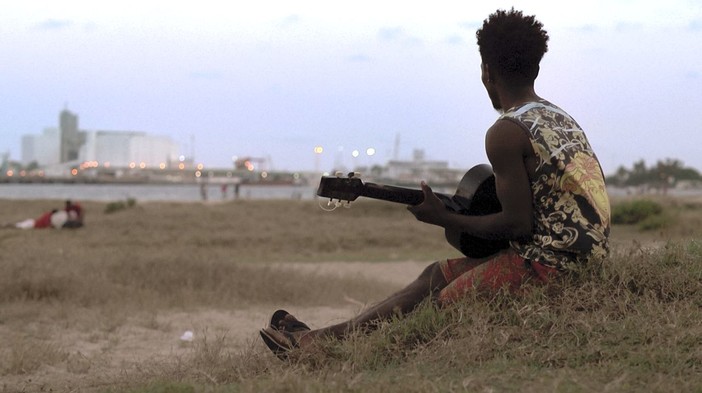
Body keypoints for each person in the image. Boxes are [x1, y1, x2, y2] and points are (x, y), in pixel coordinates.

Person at [259, 8, 611, 357]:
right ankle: (315, 341)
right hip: (583, 258)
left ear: (486, 71)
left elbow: (517, 223)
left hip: (550, 267)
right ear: (535, 67)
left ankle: (334, 355)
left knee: (439, 304)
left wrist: (444, 218)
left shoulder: (505, 132)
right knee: (434, 275)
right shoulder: (560, 117)